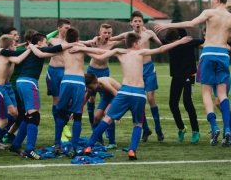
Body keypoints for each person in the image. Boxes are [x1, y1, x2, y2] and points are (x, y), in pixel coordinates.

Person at [154, 0, 231, 147]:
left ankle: (214, 126)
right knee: (222, 94)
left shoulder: (210, 13)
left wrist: (167, 26)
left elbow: (191, 23)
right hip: (223, 55)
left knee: (206, 91)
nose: (212, 1)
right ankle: (227, 127)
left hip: (209, 53)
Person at [82, 32, 192, 160]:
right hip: (139, 93)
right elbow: (161, 49)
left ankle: (89, 146)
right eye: (138, 43)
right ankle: (132, 151)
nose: (140, 45)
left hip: (124, 91)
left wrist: (81, 48)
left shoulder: (119, 51)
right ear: (135, 44)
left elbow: (99, 54)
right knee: (138, 124)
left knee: (107, 119)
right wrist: (180, 41)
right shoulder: (140, 52)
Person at [29, 28, 125, 158]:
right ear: (78, 38)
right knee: (78, 116)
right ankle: (73, 147)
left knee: (61, 113)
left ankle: (57, 143)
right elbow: (99, 52)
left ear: (66, 39)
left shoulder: (62, 47)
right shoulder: (80, 46)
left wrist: (31, 46)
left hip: (66, 80)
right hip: (79, 82)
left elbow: (41, 54)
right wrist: (83, 48)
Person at [0, 33, 76, 160]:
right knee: (34, 116)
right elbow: (57, 48)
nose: (46, 44)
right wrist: (75, 44)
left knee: (28, 115)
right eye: (45, 42)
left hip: (20, 82)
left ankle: (16, 144)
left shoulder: (27, 51)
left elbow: (7, 52)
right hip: (29, 82)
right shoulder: (39, 49)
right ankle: (29, 149)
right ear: (39, 43)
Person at [109, 11, 165, 141]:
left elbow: (161, 45)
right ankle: (146, 129)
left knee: (151, 98)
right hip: (136, 71)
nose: (138, 23)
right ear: (131, 23)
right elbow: (111, 39)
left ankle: (158, 129)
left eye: (140, 21)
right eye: (135, 21)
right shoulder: (128, 35)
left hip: (149, 68)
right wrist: (98, 39)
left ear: (142, 22)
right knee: (139, 100)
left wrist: (174, 43)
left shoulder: (149, 33)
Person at [159, 28, 203, 144]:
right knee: (172, 104)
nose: (170, 44)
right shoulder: (169, 43)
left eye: (172, 41)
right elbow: (158, 39)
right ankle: (181, 128)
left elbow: (202, 41)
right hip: (176, 76)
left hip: (189, 75)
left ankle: (195, 130)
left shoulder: (189, 42)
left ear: (179, 38)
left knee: (187, 101)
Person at [200, 25, 231, 145]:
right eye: (204, 35)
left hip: (218, 66)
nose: (205, 37)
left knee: (218, 100)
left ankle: (228, 128)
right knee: (219, 101)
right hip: (219, 62)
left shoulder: (222, 42)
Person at [0, 35, 31, 155]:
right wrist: (30, 49)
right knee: (3, 121)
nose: (16, 47)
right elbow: (18, 59)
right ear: (9, 47)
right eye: (14, 45)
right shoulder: (7, 55)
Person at [82, 24, 124, 135]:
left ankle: (105, 124)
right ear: (99, 33)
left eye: (109, 33)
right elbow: (80, 43)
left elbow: (127, 38)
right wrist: (95, 38)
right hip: (92, 71)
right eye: (105, 32)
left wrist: (139, 31)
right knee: (90, 98)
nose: (107, 34)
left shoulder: (112, 43)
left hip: (104, 72)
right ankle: (93, 124)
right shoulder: (94, 42)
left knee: (105, 97)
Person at [46, 19, 72, 142]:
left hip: (67, 71)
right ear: (59, 28)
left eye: (69, 28)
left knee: (68, 100)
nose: (68, 30)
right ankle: (60, 130)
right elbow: (43, 40)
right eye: (66, 28)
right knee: (56, 99)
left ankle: (65, 125)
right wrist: (53, 33)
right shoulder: (52, 40)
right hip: (54, 72)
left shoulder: (71, 40)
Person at [84, 73, 121, 149]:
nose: (90, 89)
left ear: (97, 83)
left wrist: (116, 111)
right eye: (88, 88)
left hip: (118, 94)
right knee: (96, 118)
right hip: (106, 96)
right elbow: (87, 97)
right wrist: (78, 109)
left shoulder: (104, 84)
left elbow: (117, 95)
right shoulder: (90, 86)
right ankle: (100, 140)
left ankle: (112, 142)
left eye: (91, 87)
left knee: (107, 113)